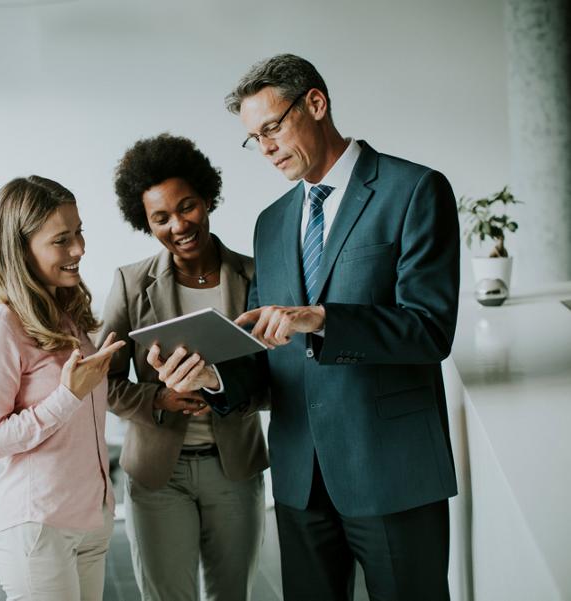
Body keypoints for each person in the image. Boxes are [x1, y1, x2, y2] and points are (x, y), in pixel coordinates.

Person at [149, 55, 460, 601]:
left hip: (392, 472)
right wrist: (210, 377)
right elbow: (266, 354)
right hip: (300, 479)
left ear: (315, 104)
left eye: (272, 128)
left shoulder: (414, 190)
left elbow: (429, 330)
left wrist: (322, 319)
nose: (265, 148)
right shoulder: (271, 222)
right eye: (253, 138)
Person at [98, 134, 268, 601]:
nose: (179, 224)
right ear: (145, 223)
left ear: (208, 197)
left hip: (234, 469)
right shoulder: (131, 285)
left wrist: (220, 386)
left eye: (187, 206)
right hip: (158, 477)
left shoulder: (256, 276)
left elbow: (280, 380)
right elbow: (103, 384)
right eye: (161, 218)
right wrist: (159, 398)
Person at [0, 175, 125, 601]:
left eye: (79, 233)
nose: (79, 250)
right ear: (20, 249)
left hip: (89, 520)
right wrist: (65, 398)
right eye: (62, 240)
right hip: (39, 530)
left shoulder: (64, 313)